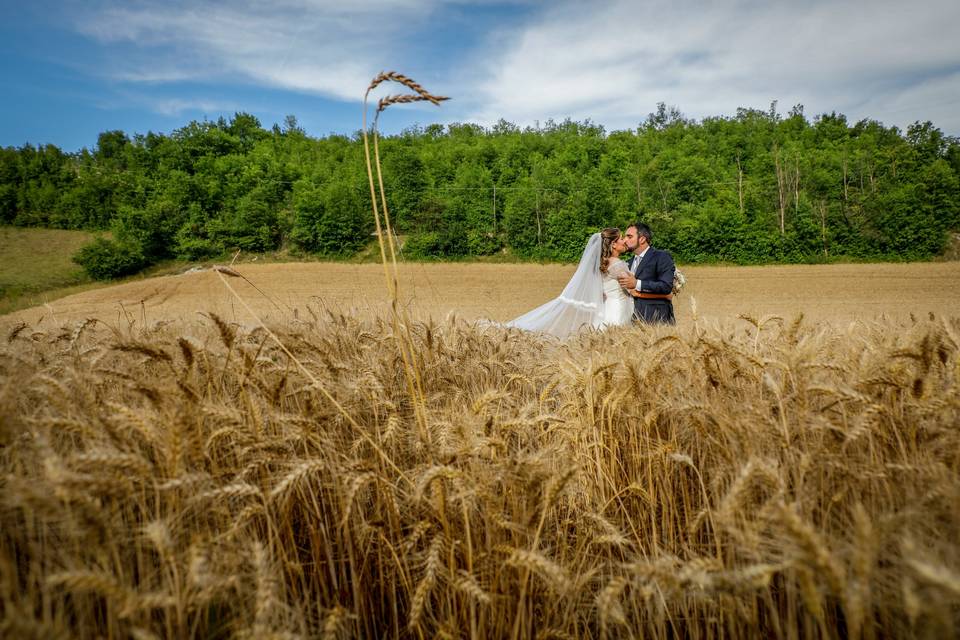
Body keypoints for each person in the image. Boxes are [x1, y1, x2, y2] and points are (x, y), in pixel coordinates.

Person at [506, 228, 633, 338]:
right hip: (618, 307)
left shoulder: (602, 263)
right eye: (621, 239)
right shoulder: (617, 264)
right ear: (613, 244)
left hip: (607, 307)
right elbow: (630, 285)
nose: (624, 241)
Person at [616, 222, 676, 325]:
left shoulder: (661, 256)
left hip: (656, 319)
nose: (625, 240)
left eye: (629, 236)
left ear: (642, 239)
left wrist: (637, 284)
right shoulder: (628, 262)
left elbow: (666, 286)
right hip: (632, 320)